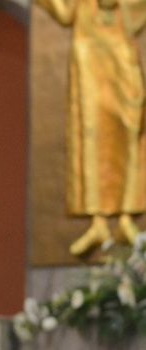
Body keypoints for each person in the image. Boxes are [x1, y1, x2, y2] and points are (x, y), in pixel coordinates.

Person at [36, 0, 146, 256]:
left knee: (130, 129)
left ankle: (127, 216)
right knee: (90, 132)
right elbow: (64, 12)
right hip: (89, 55)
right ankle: (97, 221)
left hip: (121, 49)